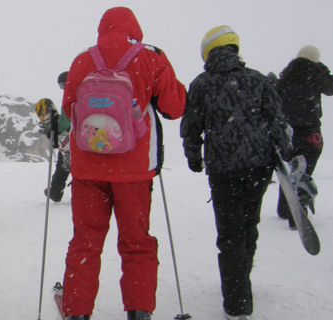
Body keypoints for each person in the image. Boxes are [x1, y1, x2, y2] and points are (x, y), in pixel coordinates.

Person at [60, 7, 186, 320]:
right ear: (135, 28)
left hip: (87, 168)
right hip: (134, 170)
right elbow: (174, 107)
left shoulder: (82, 59)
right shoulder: (152, 57)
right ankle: (139, 312)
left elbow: (68, 109)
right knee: (136, 244)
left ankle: (77, 313)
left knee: (85, 243)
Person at [181, 26, 293, 320]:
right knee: (248, 224)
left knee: (229, 233)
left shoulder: (202, 84)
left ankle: (237, 301)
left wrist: (194, 156)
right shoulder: (257, 80)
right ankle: (242, 276)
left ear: (207, 51)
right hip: (258, 165)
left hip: (223, 169)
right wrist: (285, 152)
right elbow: (277, 121)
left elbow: (191, 126)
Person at [275, 44, 333, 228]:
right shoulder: (316, 73)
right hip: (310, 131)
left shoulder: (287, 73)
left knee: (291, 169)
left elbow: (276, 94)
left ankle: (284, 209)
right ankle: (298, 212)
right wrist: (322, 69)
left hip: (289, 131)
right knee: (304, 171)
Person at [44, 71, 73, 202]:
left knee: (64, 165)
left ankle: (55, 191)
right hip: (87, 137)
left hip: (70, 138)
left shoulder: (71, 98)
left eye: (63, 85)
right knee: (73, 165)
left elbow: (66, 122)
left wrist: (56, 127)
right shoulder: (84, 94)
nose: (62, 89)